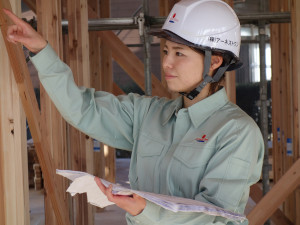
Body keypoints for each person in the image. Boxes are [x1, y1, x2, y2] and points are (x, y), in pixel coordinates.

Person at [3, 0, 264, 224]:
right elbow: (83, 109)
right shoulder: (148, 114)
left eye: (179, 53)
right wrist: (41, 51)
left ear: (215, 62)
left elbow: (216, 218)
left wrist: (144, 210)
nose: (166, 62)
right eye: (165, 51)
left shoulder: (237, 132)